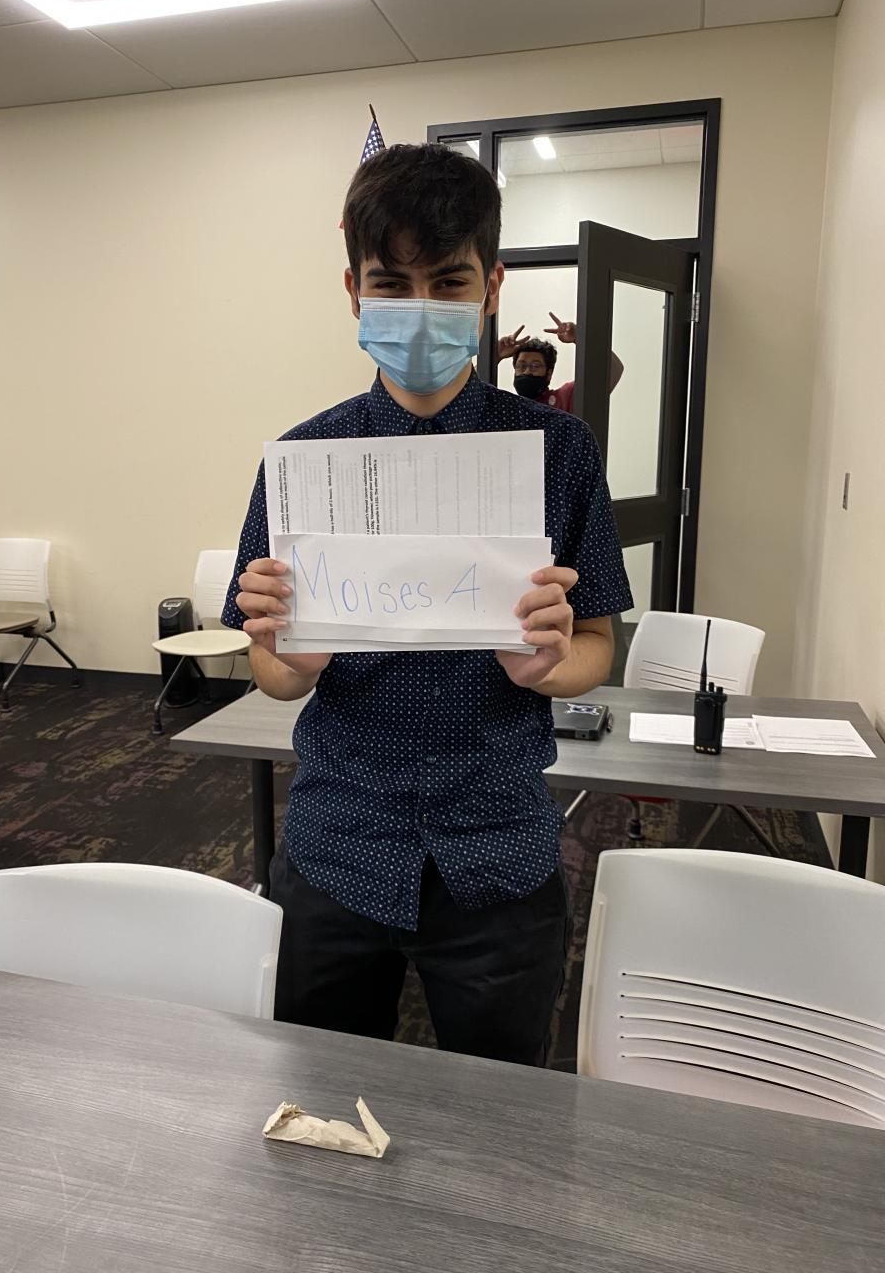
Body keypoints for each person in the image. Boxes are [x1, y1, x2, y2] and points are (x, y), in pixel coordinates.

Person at [223, 142, 632, 1066]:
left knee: (499, 1113)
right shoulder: (304, 461)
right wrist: (292, 656)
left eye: (448, 282)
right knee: (321, 1097)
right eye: (391, 282)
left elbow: (598, 643)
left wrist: (550, 667)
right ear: (353, 290)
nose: (419, 307)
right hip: (339, 842)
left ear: (491, 287)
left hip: (498, 848)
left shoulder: (558, 452)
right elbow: (274, 675)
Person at [498, 316, 624, 412]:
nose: (527, 371)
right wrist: (496, 355)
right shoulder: (505, 407)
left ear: (549, 373)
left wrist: (579, 336)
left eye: (535, 366)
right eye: (521, 366)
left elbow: (614, 369)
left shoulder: (565, 398)